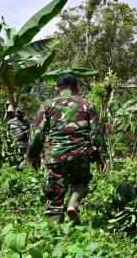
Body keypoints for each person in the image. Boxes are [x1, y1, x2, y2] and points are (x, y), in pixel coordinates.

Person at [26, 74, 108, 225]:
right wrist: (100, 156)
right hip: (81, 154)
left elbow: (37, 133)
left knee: (55, 195)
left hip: (55, 156)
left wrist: (33, 155)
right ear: (76, 88)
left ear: (57, 89)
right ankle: (73, 205)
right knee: (81, 181)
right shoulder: (87, 104)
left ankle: (55, 234)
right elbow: (96, 134)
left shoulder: (47, 105)